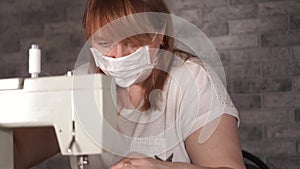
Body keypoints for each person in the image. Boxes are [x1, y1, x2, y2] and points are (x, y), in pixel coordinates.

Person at [14, 0, 246, 169]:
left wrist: (161, 168)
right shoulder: (81, 85)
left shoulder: (191, 81)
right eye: (104, 42)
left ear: (160, 32)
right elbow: (17, 153)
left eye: (133, 43)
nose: (117, 55)